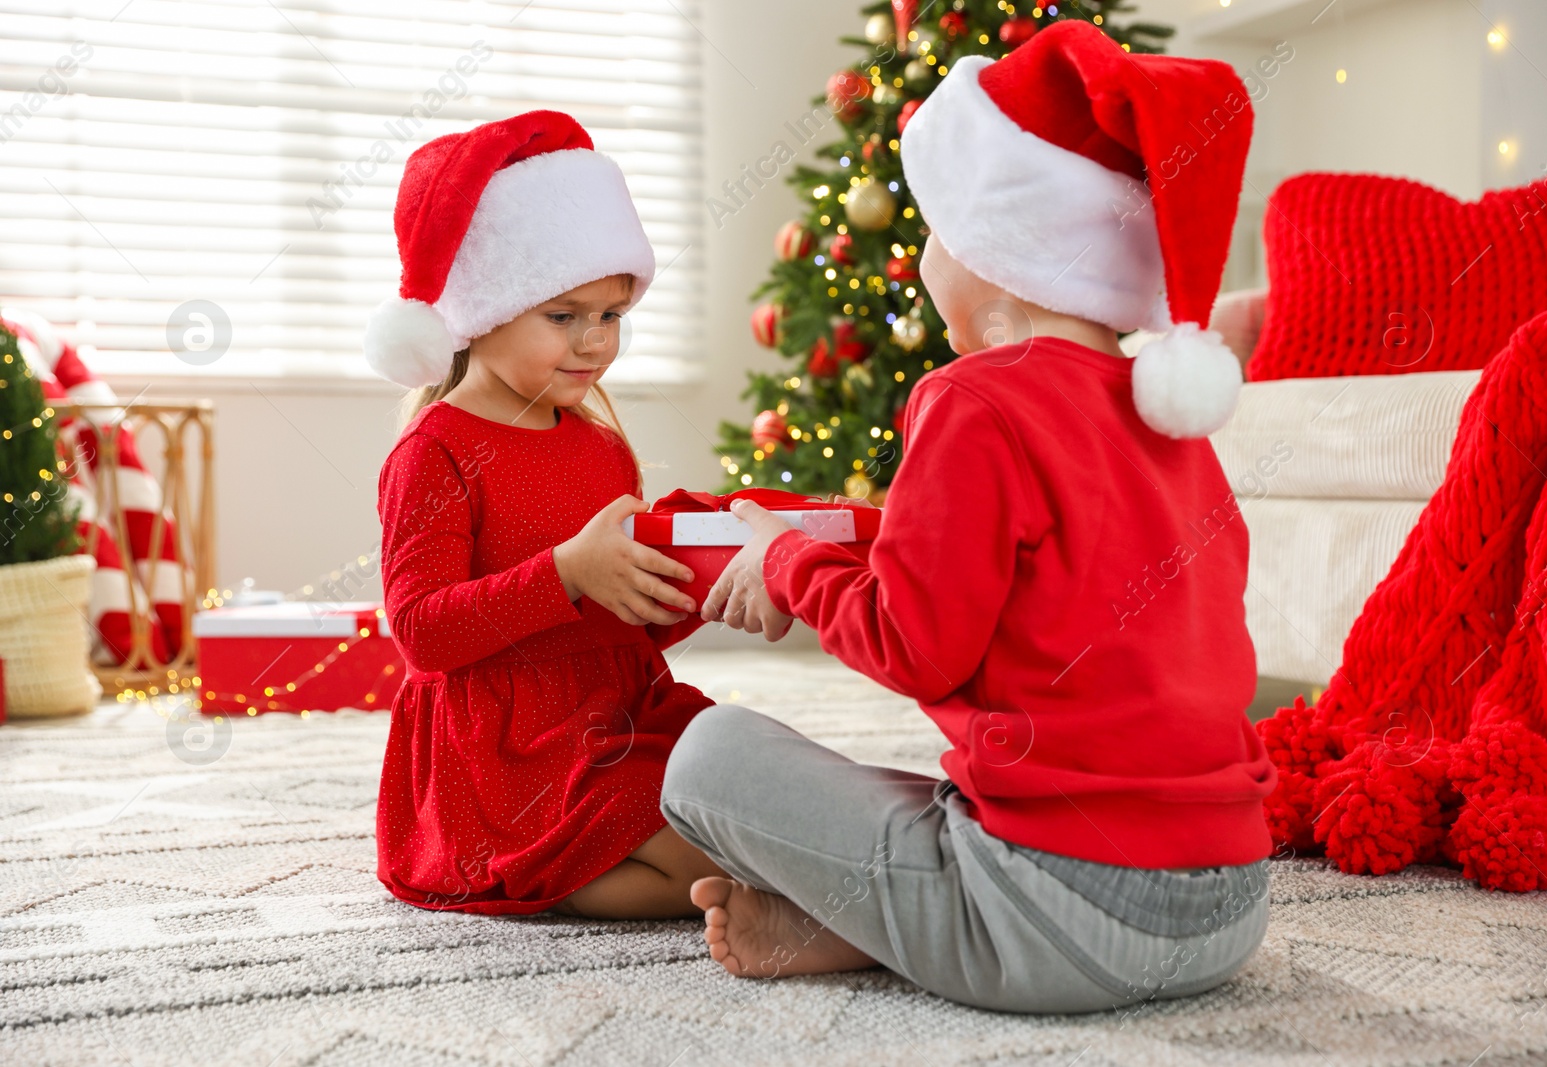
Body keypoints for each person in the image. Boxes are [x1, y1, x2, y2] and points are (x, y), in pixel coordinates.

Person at [661, 21, 1279, 1013]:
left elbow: (914, 647)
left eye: (936, 232)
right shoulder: (1174, 426)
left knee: (707, 753)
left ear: (994, 260)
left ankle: (894, 923)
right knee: (944, 790)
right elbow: (1058, 581)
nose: (921, 257)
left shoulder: (975, 398)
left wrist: (783, 563)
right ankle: (862, 922)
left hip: (1068, 921)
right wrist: (852, 543)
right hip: (1230, 912)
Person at [364, 110, 722, 918]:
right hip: (505, 752)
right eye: (562, 316)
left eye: (611, 315)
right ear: (481, 310)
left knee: (746, 806)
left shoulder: (601, 444)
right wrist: (564, 571)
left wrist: (691, 586)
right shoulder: (437, 450)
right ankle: (518, 865)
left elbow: (619, 623)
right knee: (703, 865)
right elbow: (422, 630)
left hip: (615, 715)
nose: (593, 342)